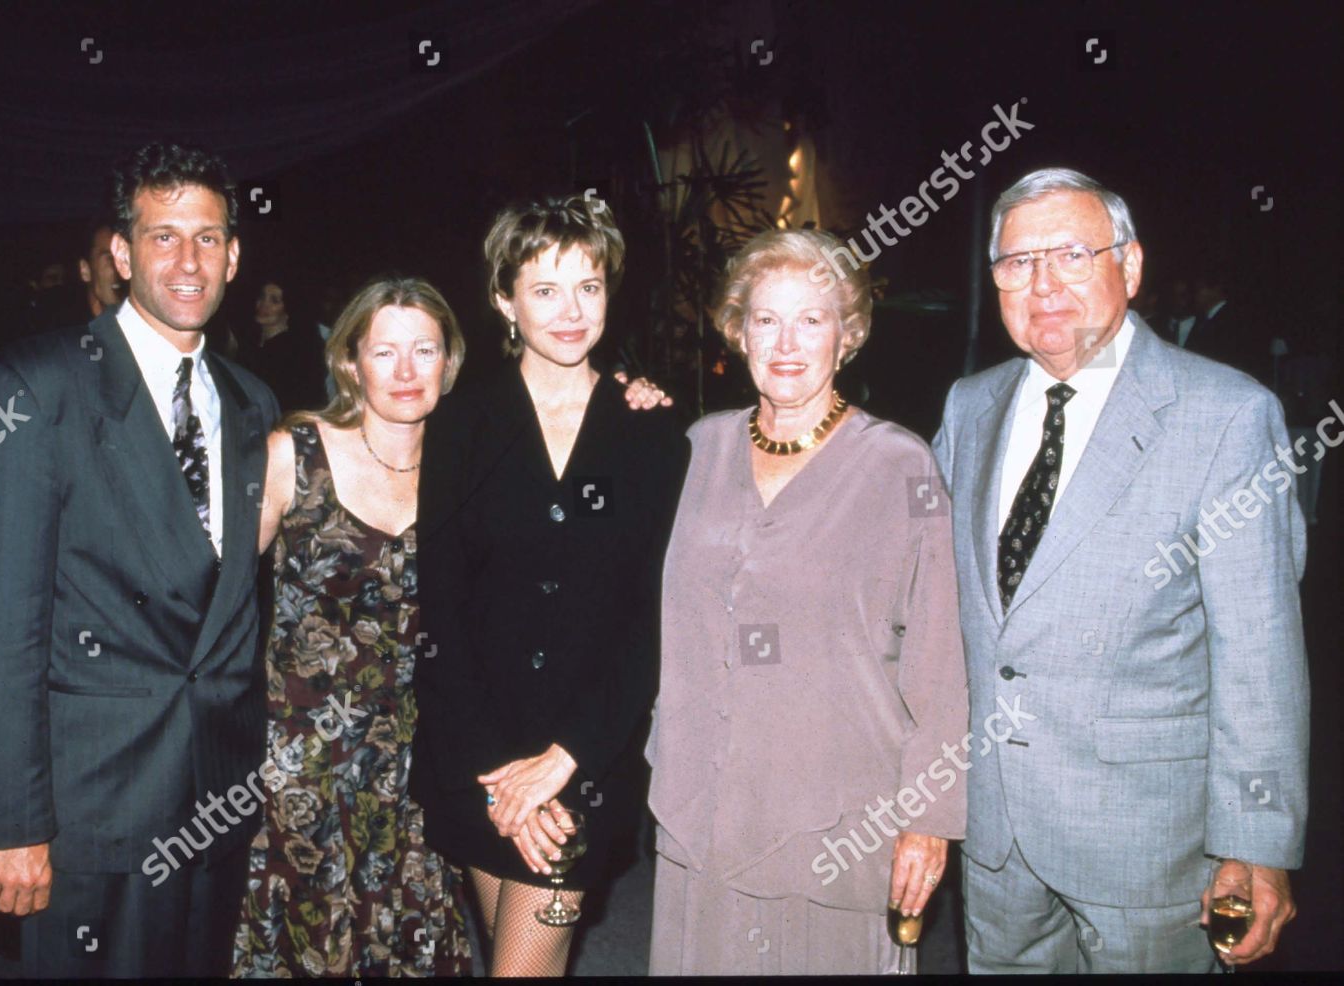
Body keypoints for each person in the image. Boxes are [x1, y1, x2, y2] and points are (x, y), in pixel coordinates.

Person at [932, 167, 1307, 973]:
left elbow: (1260, 651)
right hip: (996, 838)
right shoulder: (969, 407)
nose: (1043, 284)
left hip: (1149, 848)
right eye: (1016, 263)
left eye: (1071, 254)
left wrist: (1256, 842)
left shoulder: (1226, 415)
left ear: (1129, 268)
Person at [0, 142, 280, 977]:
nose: (187, 260)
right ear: (121, 254)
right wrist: (14, 824)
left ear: (234, 256)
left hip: (217, 798)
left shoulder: (251, 404)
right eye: (162, 236)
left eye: (208, 237)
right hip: (90, 811)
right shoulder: (35, 385)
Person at [645, 229, 968, 975]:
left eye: (812, 319)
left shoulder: (900, 465)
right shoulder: (693, 449)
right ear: (738, 332)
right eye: (765, 319)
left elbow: (940, 660)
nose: (787, 342)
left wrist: (929, 819)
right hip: (702, 809)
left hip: (837, 818)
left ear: (847, 336)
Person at [410, 194, 688, 976]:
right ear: (503, 299)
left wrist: (565, 761)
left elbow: (652, 617)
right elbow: (445, 612)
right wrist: (504, 780)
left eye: (589, 287)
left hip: (586, 768)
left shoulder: (651, 430)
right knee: (522, 955)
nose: (571, 312)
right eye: (544, 289)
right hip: (480, 763)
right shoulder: (460, 424)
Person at [231, 276, 475, 976]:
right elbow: (206, 598)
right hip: (305, 764)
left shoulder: (472, 463)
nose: (405, 371)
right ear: (349, 362)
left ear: (448, 362)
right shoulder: (294, 453)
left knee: (413, 937)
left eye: (424, 350)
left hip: (423, 758)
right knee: (310, 946)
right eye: (384, 351)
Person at [243, 276, 327, 413]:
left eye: (274, 301)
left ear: (289, 307)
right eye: (262, 296)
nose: (264, 304)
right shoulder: (249, 343)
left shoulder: (296, 353)